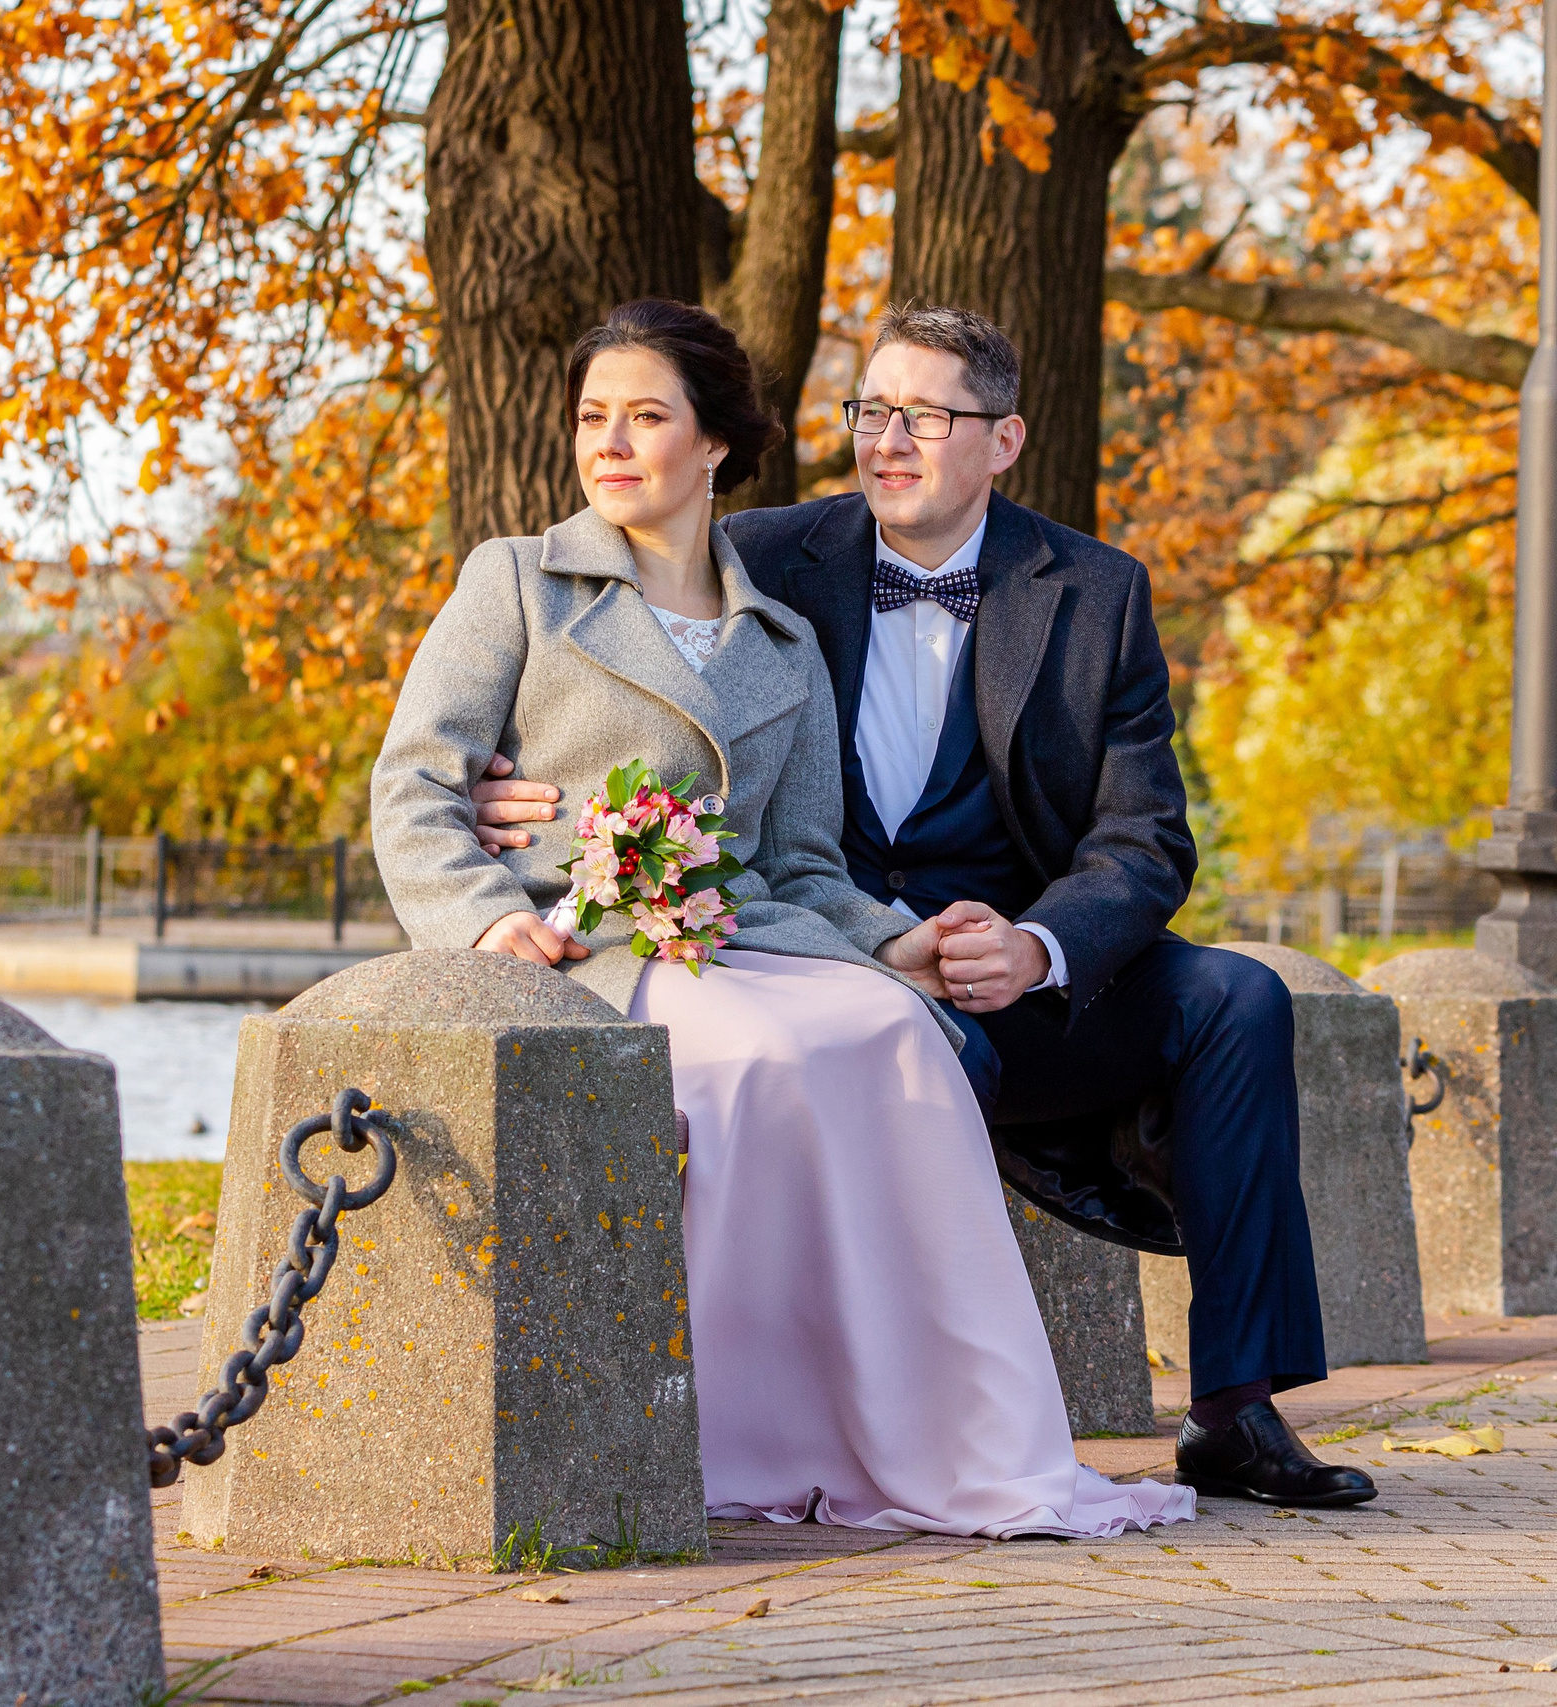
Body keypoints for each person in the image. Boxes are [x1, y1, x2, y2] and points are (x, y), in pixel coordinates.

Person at [472, 303, 1374, 1509]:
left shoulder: (1095, 593)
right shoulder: (764, 557)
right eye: (872, 411)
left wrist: (1042, 945)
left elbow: (1145, 836)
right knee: (867, 1039)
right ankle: (872, 1428)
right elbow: (633, 677)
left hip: (1017, 964)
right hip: (823, 954)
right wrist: (507, 791)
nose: (887, 441)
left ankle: (1234, 1411)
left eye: (927, 417)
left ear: (1001, 442)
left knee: (1236, 1000)